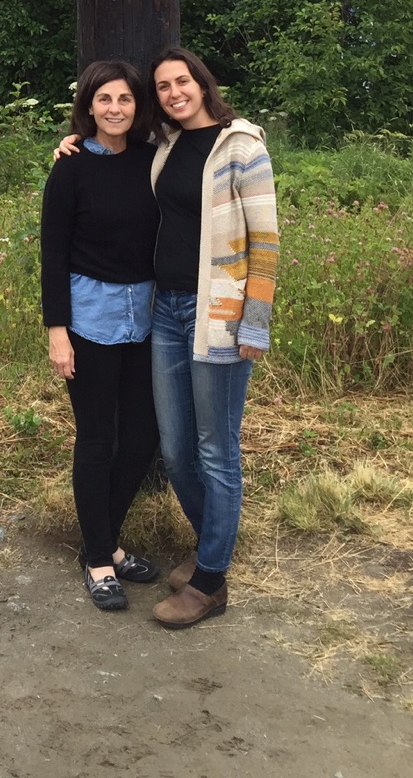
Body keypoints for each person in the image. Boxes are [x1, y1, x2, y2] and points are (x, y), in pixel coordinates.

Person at [143, 47, 280, 630]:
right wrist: (70, 146)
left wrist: (256, 321)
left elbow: (266, 242)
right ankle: (212, 553)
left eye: (182, 81)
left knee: (216, 451)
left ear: (202, 83)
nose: (174, 92)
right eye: (163, 87)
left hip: (218, 315)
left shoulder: (243, 146)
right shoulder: (168, 146)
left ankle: (210, 581)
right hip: (167, 313)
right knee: (176, 451)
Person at [40, 59, 162, 613]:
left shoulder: (154, 158)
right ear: (88, 105)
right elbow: (53, 255)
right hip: (89, 318)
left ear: (139, 107)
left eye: (126, 99)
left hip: (147, 316)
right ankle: (97, 559)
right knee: (96, 438)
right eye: (104, 98)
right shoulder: (69, 168)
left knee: (141, 437)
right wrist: (57, 333)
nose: (115, 108)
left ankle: (105, 540)